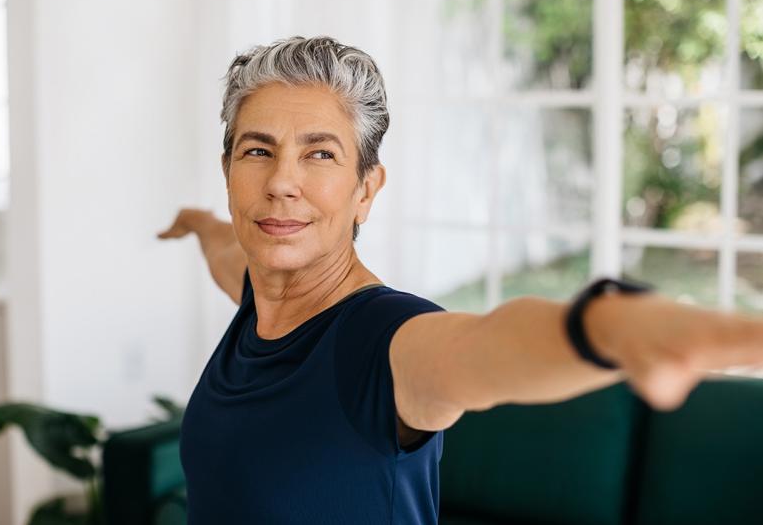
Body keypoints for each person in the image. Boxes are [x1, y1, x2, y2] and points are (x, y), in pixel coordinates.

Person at [157, 36, 763, 524]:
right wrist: (201, 224)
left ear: (366, 189)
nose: (281, 182)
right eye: (258, 152)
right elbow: (228, 250)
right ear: (229, 170)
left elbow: (481, 346)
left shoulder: (382, 341)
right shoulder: (257, 292)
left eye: (320, 155)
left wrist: (605, 326)